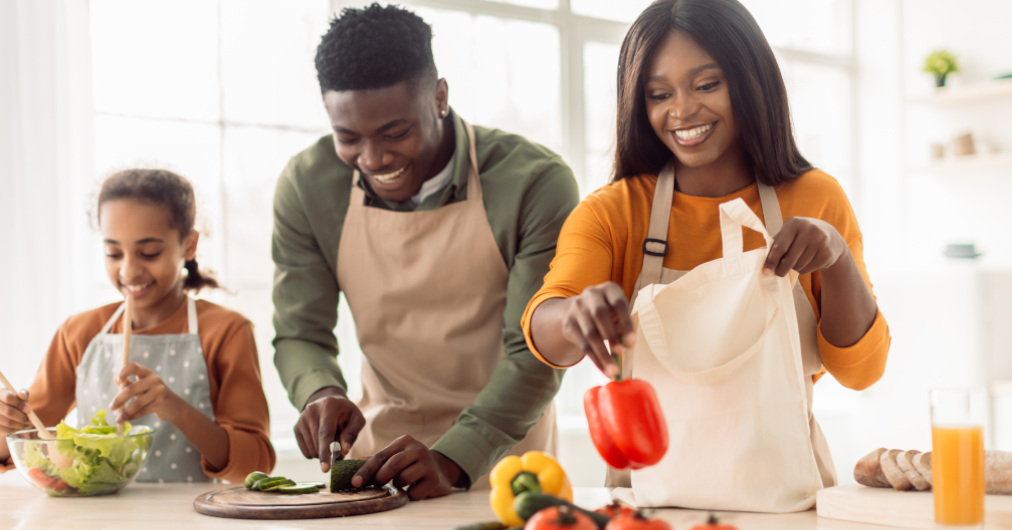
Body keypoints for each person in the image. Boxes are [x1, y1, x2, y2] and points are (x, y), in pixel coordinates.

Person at [522, 0, 891, 509]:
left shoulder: (814, 199)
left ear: (750, 81)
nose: (682, 111)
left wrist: (836, 257)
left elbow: (861, 372)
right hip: (646, 502)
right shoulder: (614, 212)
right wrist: (572, 315)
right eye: (659, 93)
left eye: (706, 84)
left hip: (791, 502)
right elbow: (548, 331)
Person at [272, 3, 578, 500]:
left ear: (439, 97)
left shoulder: (535, 182)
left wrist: (452, 458)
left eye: (395, 133)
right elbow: (299, 332)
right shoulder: (308, 186)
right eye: (348, 138)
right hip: (380, 467)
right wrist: (321, 392)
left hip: (510, 469)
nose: (373, 159)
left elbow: (534, 351)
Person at [0, 169, 275, 484]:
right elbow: (29, 438)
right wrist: (8, 427)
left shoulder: (227, 331)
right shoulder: (78, 333)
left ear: (189, 245)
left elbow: (257, 464)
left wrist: (177, 411)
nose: (129, 270)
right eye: (113, 253)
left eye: (149, 253)